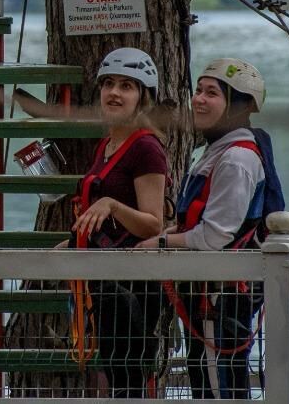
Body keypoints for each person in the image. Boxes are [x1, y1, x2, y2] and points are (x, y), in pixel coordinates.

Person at [138, 57, 277, 399]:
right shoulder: (218, 151)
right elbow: (200, 222)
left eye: (212, 93)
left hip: (220, 295)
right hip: (209, 293)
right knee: (208, 373)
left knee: (217, 382)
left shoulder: (237, 159)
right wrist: (168, 234)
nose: (198, 99)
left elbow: (214, 236)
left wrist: (160, 243)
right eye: (198, 90)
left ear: (238, 106)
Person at [68, 47, 171, 399]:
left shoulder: (146, 149)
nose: (114, 93)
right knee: (113, 372)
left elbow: (153, 224)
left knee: (127, 378)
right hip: (106, 281)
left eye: (126, 86)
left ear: (143, 97)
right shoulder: (108, 145)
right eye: (108, 84)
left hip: (133, 286)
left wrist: (111, 205)